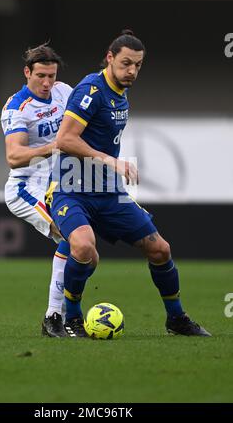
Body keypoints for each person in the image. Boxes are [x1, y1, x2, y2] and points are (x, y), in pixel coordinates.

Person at [46, 29, 211, 338]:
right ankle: (72, 318)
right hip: (72, 189)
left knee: (160, 250)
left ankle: (176, 319)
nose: (132, 71)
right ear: (110, 58)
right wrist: (109, 161)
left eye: (137, 65)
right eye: (126, 63)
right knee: (82, 246)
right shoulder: (90, 91)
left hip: (108, 191)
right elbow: (64, 139)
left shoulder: (121, 91)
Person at [1, 43, 72, 338]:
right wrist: (54, 147)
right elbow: (14, 156)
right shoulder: (17, 108)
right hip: (25, 188)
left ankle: (67, 316)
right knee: (72, 237)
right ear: (27, 72)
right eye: (40, 76)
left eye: (51, 76)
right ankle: (54, 317)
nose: (46, 83)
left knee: (85, 248)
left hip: (57, 184)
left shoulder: (64, 92)